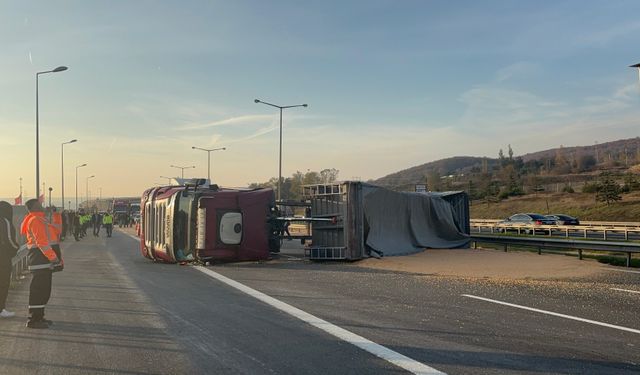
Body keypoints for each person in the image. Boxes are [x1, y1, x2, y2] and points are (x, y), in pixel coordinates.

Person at [21, 199, 60, 329]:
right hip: (40, 260)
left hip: (44, 261)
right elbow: (41, 242)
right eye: (39, 204)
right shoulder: (35, 220)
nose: (42, 206)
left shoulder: (41, 220)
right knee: (39, 290)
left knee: (44, 290)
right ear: (34, 207)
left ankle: (39, 316)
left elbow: (58, 231)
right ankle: (33, 319)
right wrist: (53, 258)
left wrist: (56, 214)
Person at [0, 201, 19, 318]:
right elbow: (9, 240)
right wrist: (15, 249)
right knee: (3, 284)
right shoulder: (5, 221)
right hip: (3, 259)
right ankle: (1, 309)